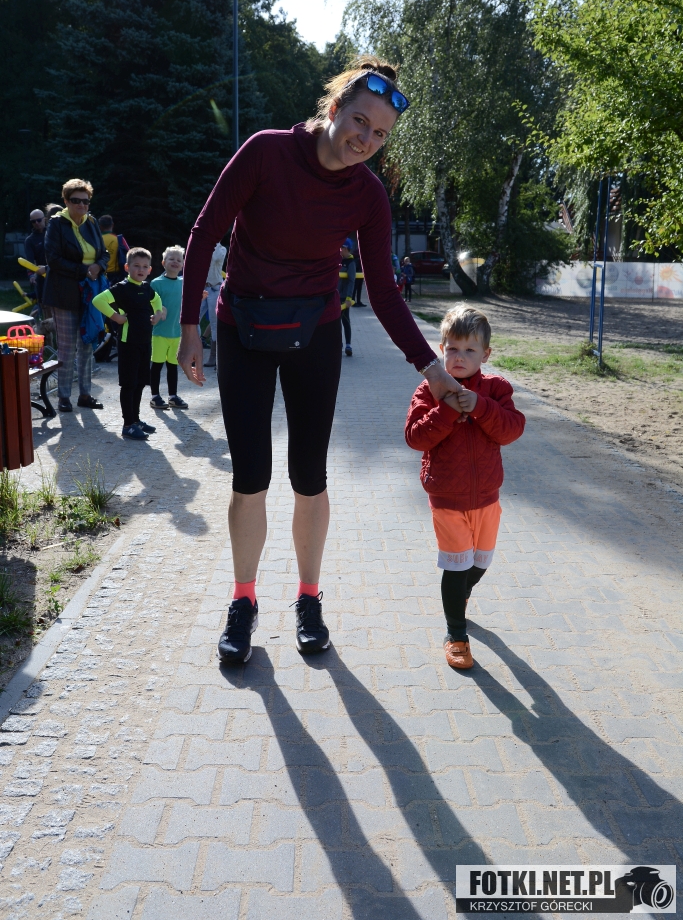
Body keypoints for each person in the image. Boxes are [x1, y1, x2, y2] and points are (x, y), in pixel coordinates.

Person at [177, 55, 461, 665]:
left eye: (380, 133)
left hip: (316, 333)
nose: (366, 140)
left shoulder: (367, 195)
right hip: (243, 327)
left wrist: (431, 368)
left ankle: (309, 598)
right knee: (250, 476)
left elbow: (383, 291)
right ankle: (244, 601)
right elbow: (205, 232)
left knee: (310, 475)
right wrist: (189, 328)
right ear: (334, 109)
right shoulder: (266, 152)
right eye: (360, 121)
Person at [405, 305, 525, 669]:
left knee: (480, 562)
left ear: (485, 354)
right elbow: (415, 437)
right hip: (447, 498)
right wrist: (446, 410)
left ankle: (460, 594)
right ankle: (456, 634)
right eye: (453, 349)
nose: (459, 357)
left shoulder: (496, 389)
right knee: (456, 568)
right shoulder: (430, 390)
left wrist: (481, 407)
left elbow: (512, 429)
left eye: (469, 350)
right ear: (442, 349)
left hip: (487, 496)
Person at [43, 179, 109, 412]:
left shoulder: (91, 222)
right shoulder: (56, 224)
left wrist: (99, 266)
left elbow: (104, 253)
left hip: (91, 294)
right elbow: (53, 259)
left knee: (87, 345)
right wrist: (84, 270)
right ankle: (63, 397)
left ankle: (85, 395)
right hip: (64, 294)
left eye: (86, 201)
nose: (82, 205)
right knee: (67, 347)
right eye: (76, 200)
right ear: (66, 201)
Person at [92, 248, 164, 441]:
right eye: (136, 266)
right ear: (127, 267)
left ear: (150, 270)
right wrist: (115, 316)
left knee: (140, 383)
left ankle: (136, 420)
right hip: (128, 343)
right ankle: (128, 425)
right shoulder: (122, 288)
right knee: (129, 384)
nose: (141, 270)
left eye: (145, 266)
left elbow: (157, 300)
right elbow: (98, 300)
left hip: (144, 343)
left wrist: (157, 314)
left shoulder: (147, 287)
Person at [149, 245, 188, 409]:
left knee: (173, 366)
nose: (175, 262)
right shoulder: (156, 283)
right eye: (171, 259)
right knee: (157, 365)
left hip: (177, 333)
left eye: (179, 260)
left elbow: (187, 304)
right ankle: (155, 396)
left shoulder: (184, 283)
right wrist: (159, 310)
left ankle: (173, 396)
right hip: (159, 332)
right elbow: (149, 303)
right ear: (164, 262)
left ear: (183, 264)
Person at [200, 241, 226, 367]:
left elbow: (214, 258)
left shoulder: (221, 249)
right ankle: (194, 352)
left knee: (214, 323)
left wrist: (213, 242)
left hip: (215, 289)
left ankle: (214, 357)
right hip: (202, 288)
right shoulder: (202, 245)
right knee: (193, 319)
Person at [24, 209, 47, 303]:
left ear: (44, 219)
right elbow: (29, 261)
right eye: (33, 221)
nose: (36, 223)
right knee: (43, 304)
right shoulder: (30, 240)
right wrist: (31, 276)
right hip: (42, 276)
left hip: (57, 273)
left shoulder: (53, 234)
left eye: (39, 220)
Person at [338, 237, 356, 356]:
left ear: (346, 248)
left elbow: (351, 281)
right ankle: (338, 344)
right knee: (336, 321)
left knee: (345, 320)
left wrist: (349, 298)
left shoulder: (350, 262)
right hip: (336, 295)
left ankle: (348, 345)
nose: (339, 250)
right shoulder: (338, 260)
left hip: (344, 297)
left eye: (341, 248)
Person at [99, 215, 121, 282]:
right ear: (112, 225)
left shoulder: (96, 240)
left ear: (100, 226)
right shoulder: (119, 239)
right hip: (115, 275)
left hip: (99, 273)